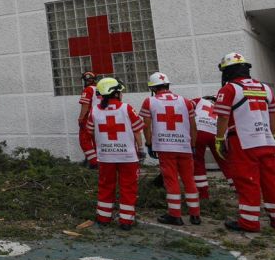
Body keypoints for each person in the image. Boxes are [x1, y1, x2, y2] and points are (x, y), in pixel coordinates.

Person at [214, 52, 275, 232]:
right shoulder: (265, 88)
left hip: (243, 142)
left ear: (227, 71)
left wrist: (219, 139)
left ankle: (249, 222)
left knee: (247, 181)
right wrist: (272, 135)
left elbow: (223, 117)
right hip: (267, 141)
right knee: (270, 181)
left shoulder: (230, 89)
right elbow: (274, 114)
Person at [140, 72, 200, 226]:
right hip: (185, 146)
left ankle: (175, 215)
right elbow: (193, 126)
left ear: (153, 88)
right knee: (189, 179)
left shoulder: (150, 101)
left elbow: (146, 126)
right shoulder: (186, 102)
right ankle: (195, 215)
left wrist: (149, 144)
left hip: (165, 147)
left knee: (171, 180)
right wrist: (193, 145)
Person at [85, 77, 145, 230]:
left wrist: (101, 145)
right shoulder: (127, 108)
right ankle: (126, 221)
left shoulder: (94, 111)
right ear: (116, 93)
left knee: (105, 186)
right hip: (128, 156)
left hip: (105, 156)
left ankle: (103, 218)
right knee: (128, 187)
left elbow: (90, 132)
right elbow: (137, 131)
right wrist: (141, 149)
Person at [191, 94, 232, 199]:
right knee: (224, 161)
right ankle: (237, 186)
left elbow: (187, 106)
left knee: (198, 162)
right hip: (216, 133)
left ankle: (203, 194)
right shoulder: (221, 107)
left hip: (199, 131)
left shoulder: (199, 100)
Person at [76, 71, 99, 168]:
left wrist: (81, 118)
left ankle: (94, 162)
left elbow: (85, 105)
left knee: (84, 140)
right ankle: (98, 160)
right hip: (99, 118)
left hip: (89, 118)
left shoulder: (88, 90)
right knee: (96, 140)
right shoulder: (100, 89)